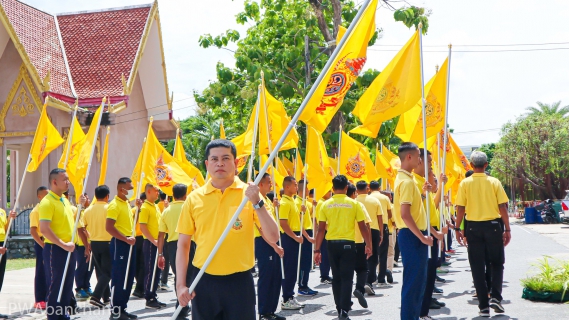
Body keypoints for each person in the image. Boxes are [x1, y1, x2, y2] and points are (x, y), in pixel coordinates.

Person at [176, 139, 279, 320]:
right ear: (207, 164)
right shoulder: (194, 198)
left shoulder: (250, 194)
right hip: (203, 279)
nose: (220, 163)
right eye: (214, 159)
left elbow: (273, 236)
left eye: (226, 158)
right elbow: (183, 245)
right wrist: (180, 285)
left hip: (239, 283)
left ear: (236, 162)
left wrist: (258, 202)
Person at [455, 151, 511, 317]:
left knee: (477, 266)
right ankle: (496, 297)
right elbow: (503, 207)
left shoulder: (465, 184)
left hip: (473, 228)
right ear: (486, 165)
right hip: (493, 226)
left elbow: (460, 209)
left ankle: (483, 306)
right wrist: (507, 229)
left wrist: (458, 229)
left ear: (472, 166)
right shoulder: (494, 182)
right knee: (497, 262)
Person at [314, 175, 372, 320]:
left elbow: (320, 230)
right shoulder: (354, 204)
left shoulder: (325, 205)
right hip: (348, 244)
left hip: (331, 245)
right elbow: (363, 227)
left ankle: (338, 307)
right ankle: (344, 311)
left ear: (332, 189)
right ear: (347, 188)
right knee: (347, 278)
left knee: (336, 278)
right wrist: (368, 245)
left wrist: (317, 250)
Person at [39, 168, 87, 320]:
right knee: (56, 285)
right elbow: (44, 229)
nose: (68, 182)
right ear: (54, 182)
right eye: (64, 179)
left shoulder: (64, 200)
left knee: (67, 285)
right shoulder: (47, 202)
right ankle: (54, 317)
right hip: (55, 249)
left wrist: (81, 205)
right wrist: (63, 244)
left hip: (68, 248)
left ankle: (63, 314)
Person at [393, 143, 433, 320]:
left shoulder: (404, 178)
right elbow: (405, 215)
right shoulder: (407, 181)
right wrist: (422, 238)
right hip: (412, 236)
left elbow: (415, 212)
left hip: (410, 235)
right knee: (414, 285)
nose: (420, 160)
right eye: (418, 156)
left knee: (416, 284)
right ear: (409, 157)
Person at [414, 150, 448, 319]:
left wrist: (441, 184)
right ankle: (421, 312)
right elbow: (419, 213)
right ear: (419, 161)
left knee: (430, 274)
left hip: (431, 231)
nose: (431, 164)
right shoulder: (416, 182)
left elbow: (433, 205)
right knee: (424, 275)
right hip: (425, 232)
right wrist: (434, 233)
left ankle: (424, 311)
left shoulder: (423, 182)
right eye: (429, 161)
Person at [253, 174, 286, 320]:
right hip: (264, 242)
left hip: (271, 242)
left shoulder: (266, 199)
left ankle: (271, 310)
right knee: (267, 278)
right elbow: (261, 228)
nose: (271, 185)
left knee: (276, 277)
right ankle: (264, 312)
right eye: (268, 182)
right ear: (260, 184)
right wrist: (274, 246)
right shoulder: (257, 200)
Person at [106, 177, 138, 320]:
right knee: (119, 276)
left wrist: (138, 208)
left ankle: (122, 308)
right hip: (120, 244)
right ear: (121, 189)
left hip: (128, 243)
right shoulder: (114, 205)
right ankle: (115, 311)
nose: (132, 191)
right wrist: (125, 239)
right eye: (130, 189)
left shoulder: (126, 203)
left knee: (128, 276)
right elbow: (109, 227)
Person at [158, 183, 191, 320]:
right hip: (190, 243)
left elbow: (161, 235)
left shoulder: (166, 211)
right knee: (188, 276)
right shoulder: (189, 207)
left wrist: (160, 254)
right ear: (185, 195)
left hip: (172, 245)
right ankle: (181, 306)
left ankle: (182, 305)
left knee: (179, 275)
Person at [83, 185, 112, 308]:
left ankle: (106, 296)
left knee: (100, 271)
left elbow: (82, 227)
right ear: (107, 196)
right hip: (107, 242)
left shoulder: (88, 210)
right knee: (108, 272)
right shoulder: (109, 208)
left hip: (94, 242)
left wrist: (88, 238)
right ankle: (96, 296)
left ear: (95, 196)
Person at [279, 176, 305, 310]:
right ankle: (286, 299)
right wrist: (295, 237)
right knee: (288, 269)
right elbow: (283, 223)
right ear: (287, 187)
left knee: (293, 268)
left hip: (294, 237)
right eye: (295, 185)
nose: (297, 187)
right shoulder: (284, 202)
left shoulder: (292, 201)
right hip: (288, 238)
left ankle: (290, 296)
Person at [138, 184, 166, 309]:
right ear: (149, 192)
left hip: (157, 242)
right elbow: (142, 226)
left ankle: (153, 295)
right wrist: (153, 240)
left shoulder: (154, 206)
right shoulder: (145, 207)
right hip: (150, 243)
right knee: (151, 270)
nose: (158, 193)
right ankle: (149, 297)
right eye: (156, 191)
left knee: (157, 269)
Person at [355, 181, 383, 295]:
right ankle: (369, 282)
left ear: (356, 190)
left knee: (360, 258)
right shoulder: (375, 200)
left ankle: (362, 282)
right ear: (367, 189)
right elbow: (380, 218)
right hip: (374, 230)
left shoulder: (354, 201)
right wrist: (382, 233)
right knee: (373, 257)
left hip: (357, 232)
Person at [349, 183, 373, 308]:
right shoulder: (358, 205)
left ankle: (345, 300)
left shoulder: (334, 205)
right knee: (362, 269)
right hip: (358, 242)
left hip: (342, 242)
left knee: (346, 273)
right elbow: (366, 225)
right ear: (354, 193)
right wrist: (368, 244)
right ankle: (359, 288)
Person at [295, 180, 317, 296]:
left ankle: (305, 284)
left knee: (307, 261)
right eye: (307, 188)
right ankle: (302, 286)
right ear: (303, 189)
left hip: (308, 232)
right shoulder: (298, 203)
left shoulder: (304, 202)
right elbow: (299, 223)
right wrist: (308, 237)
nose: (309, 190)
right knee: (304, 262)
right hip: (304, 235)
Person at [369, 182, 393, 286]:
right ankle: (381, 279)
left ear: (369, 188)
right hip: (383, 225)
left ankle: (372, 277)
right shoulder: (385, 198)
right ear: (379, 188)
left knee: (371, 253)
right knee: (383, 253)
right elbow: (389, 214)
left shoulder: (368, 197)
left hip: (370, 226)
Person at [29, 186, 49, 310]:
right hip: (41, 242)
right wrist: (42, 245)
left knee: (49, 270)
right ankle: (40, 299)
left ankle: (48, 297)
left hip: (49, 241)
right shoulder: (36, 211)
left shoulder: (47, 208)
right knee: (41, 270)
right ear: (39, 196)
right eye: (45, 195)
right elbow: (33, 231)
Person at [73, 194, 93, 301]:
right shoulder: (79, 211)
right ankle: (79, 288)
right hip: (81, 244)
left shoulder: (88, 211)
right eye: (85, 198)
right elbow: (81, 229)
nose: (88, 199)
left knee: (89, 267)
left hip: (90, 243)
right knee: (82, 266)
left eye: (88, 198)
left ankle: (86, 286)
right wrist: (86, 245)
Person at [315, 190, 333, 284]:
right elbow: (321, 220)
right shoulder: (321, 203)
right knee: (325, 254)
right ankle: (324, 276)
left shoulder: (324, 202)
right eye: (328, 191)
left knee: (327, 254)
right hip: (325, 231)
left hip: (327, 230)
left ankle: (326, 274)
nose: (330, 192)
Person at [132, 193, 145, 298]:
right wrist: (138, 210)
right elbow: (132, 222)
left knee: (142, 264)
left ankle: (140, 287)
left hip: (144, 238)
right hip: (137, 238)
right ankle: (139, 286)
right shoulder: (134, 210)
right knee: (138, 264)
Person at [157, 191, 170, 290]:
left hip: (159, 235)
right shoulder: (168, 207)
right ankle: (163, 281)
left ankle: (159, 280)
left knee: (160, 258)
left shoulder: (156, 206)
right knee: (166, 259)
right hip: (166, 235)